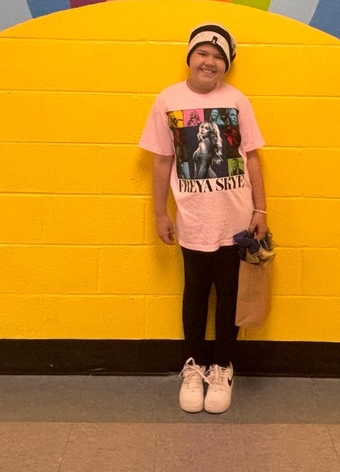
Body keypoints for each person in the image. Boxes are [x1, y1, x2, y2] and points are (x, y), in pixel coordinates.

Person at [138, 23, 267, 414]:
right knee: (195, 294)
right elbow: (162, 160)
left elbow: (253, 158)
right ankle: (193, 366)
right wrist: (160, 212)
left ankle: (223, 367)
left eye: (218, 57)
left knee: (230, 295)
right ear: (190, 57)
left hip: (236, 221)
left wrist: (260, 209)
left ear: (226, 65)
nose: (209, 62)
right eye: (203, 54)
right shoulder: (167, 100)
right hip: (192, 220)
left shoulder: (237, 101)